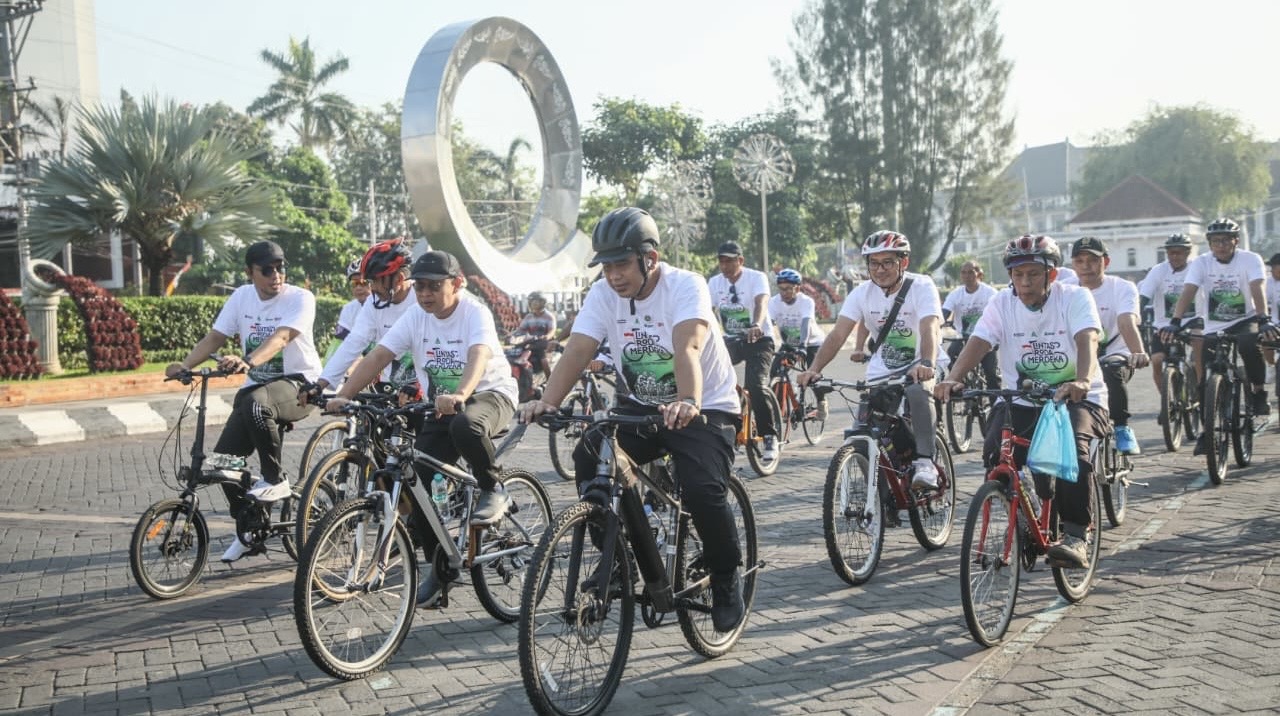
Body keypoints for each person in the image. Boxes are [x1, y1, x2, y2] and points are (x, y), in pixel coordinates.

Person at [520, 207, 745, 633]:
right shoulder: (605, 295)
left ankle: (725, 576)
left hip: (705, 405)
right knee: (590, 453)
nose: (613, 275)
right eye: (606, 266)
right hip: (643, 406)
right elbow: (578, 350)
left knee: (701, 490)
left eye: (622, 263)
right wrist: (545, 401)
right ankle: (619, 559)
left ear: (651, 259)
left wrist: (689, 399)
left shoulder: (685, 285)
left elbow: (688, 347)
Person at [324, 250, 518, 607]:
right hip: (441, 406)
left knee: (466, 425)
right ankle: (441, 570)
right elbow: (379, 355)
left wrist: (460, 392)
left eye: (433, 286)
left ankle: (494, 487)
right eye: (420, 287)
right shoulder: (416, 316)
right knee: (418, 486)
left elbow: (479, 354)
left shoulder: (474, 312)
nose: (425, 294)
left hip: (490, 395)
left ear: (456, 284)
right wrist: (343, 395)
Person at [934, 234, 1109, 568]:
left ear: (1051, 275)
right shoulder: (1002, 303)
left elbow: (1086, 338)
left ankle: (1075, 535)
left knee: (1073, 448)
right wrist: (953, 378)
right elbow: (980, 340)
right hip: (1023, 399)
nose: (1025, 282)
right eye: (1018, 275)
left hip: (1076, 399)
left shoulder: (1075, 297)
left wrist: (1082, 380)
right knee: (994, 452)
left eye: (1033, 274)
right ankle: (1025, 511)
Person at [165, 240, 322, 562]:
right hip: (257, 389)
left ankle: (275, 480)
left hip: (299, 386)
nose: (276, 275)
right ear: (249, 272)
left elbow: (281, 339)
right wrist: (184, 366)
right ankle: (250, 528)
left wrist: (248, 362)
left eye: (280, 267)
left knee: (255, 404)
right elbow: (215, 338)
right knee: (224, 463)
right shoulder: (241, 297)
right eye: (267, 270)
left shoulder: (300, 298)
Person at [797, 230, 944, 490]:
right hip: (883, 369)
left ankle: (925, 462)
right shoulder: (862, 293)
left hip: (922, 364)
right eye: (874, 263)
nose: (880, 270)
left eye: (888, 262)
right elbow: (838, 334)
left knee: (918, 392)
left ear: (903, 263)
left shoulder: (922, 286)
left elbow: (929, 327)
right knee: (864, 430)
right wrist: (814, 369)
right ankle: (879, 499)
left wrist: (928, 364)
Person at [1161, 218, 1278, 454]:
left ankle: (1257, 391)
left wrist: (1263, 318)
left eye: (1225, 240)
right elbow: (1189, 290)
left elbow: (1257, 288)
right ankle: (1207, 431)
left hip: (1246, 319)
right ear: (1209, 244)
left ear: (1235, 241)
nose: (1221, 245)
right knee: (1205, 378)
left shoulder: (1250, 259)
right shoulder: (1202, 263)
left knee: (1247, 344)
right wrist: (1175, 321)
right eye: (1216, 241)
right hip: (1213, 325)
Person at [309, 239, 419, 397]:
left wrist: (419, 385)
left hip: (425, 387)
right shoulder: (373, 302)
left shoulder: (423, 299)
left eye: (376, 281)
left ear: (400, 279)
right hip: (389, 384)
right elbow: (354, 342)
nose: (372, 288)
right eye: (370, 281)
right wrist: (320, 384)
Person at [1070, 237, 1149, 455]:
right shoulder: (1066, 289)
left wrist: (1137, 352)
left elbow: (1126, 321)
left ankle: (1122, 427)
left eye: (1093, 260)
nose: (1086, 266)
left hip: (1115, 353)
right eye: (1079, 261)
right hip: (1078, 358)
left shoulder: (1122, 287)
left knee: (1111, 369)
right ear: (1073, 264)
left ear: (1106, 261)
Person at [708, 241, 779, 461]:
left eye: (729, 261)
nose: (725, 265)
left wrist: (756, 325)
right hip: (731, 341)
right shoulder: (714, 282)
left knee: (755, 385)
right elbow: (706, 311)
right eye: (721, 261)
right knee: (709, 379)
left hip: (759, 339)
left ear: (741, 261)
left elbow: (761, 303)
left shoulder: (756, 278)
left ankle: (769, 436)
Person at [1138, 234, 1198, 400]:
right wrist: (1134, 318)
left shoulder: (1197, 267)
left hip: (1193, 322)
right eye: (1171, 253)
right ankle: (1168, 401)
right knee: (1157, 360)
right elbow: (1143, 297)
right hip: (1164, 325)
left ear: (1188, 253)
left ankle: (1200, 389)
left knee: (1197, 358)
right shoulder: (1158, 270)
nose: (1175, 257)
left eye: (1179, 253)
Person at [768, 268, 828, 419]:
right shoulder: (774, 302)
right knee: (775, 371)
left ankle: (821, 402)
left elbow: (805, 324)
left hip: (811, 343)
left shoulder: (806, 302)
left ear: (798, 288)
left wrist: (802, 346)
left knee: (812, 375)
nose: (784, 292)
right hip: (789, 344)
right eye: (781, 289)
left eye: (788, 289)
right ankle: (784, 406)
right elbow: (767, 324)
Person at [942, 260, 1000, 390]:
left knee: (990, 373)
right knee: (951, 355)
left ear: (979, 274)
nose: (967, 276)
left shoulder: (989, 292)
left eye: (970, 272)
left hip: (985, 339)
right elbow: (944, 313)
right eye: (963, 273)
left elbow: (998, 315)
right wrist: (935, 326)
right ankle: (961, 385)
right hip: (963, 338)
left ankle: (997, 406)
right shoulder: (956, 294)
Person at [511, 291, 557, 381]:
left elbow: (552, 330)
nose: (533, 304)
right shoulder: (528, 317)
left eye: (535, 301)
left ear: (542, 302)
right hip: (530, 342)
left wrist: (546, 336)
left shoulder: (549, 316)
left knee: (543, 360)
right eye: (531, 302)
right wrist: (511, 335)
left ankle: (550, 381)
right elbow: (521, 329)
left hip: (543, 344)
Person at [333, 259, 371, 341]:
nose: (358, 288)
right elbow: (341, 340)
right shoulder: (348, 309)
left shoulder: (388, 305)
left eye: (363, 282)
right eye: (354, 283)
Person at [1265, 253, 1280, 385]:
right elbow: (1264, 302)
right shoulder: (1268, 282)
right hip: (1275, 324)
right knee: (1265, 337)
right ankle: (1270, 365)